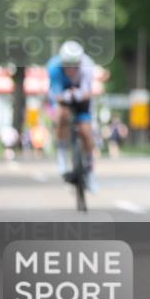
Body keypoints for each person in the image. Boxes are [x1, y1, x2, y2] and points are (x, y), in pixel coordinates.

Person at [47, 41, 97, 191]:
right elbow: (56, 95)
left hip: (82, 97)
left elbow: (88, 92)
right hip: (63, 94)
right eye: (68, 65)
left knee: (86, 133)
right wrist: (67, 96)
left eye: (76, 66)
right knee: (62, 115)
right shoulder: (54, 68)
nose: (72, 69)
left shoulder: (88, 65)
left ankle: (90, 169)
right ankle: (62, 154)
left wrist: (78, 94)